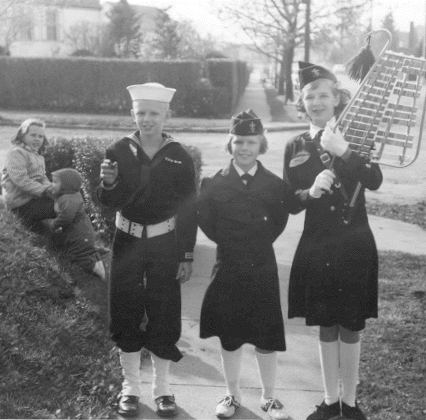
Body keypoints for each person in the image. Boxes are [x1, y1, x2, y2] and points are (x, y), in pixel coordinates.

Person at [283, 62, 383, 420]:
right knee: (326, 321)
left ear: (337, 98)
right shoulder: (295, 144)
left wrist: (345, 152)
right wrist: (309, 191)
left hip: (354, 240)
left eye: (323, 94)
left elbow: (374, 179)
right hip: (318, 243)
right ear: (302, 101)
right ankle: (329, 400)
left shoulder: (355, 134)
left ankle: (351, 403)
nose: (316, 101)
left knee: (351, 322)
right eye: (309, 96)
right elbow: (289, 202)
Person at [97, 82, 198, 418]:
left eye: (154, 113)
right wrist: (108, 185)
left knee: (164, 310)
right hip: (127, 240)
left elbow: (188, 210)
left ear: (167, 114)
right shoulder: (118, 149)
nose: (147, 119)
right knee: (124, 308)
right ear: (132, 114)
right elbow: (108, 202)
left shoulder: (180, 156)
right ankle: (130, 387)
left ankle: (162, 388)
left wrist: (186, 254)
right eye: (141, 113)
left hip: (164, 244)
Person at [198, 110, 291, 420]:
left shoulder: (274, 185)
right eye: (238, 141)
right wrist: (232, 241)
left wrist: (255, 241)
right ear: (230, 143)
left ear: (260, 143)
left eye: (251, 142)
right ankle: (232, 394)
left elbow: (278, 222)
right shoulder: (213, 182)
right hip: (229, 264)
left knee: (266, 335)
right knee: (230, 333)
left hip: (262, 263)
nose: (244, 148)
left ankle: (269, 398)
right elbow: (207, 222)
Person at [46, 168, 106, 281]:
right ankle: (95, 253)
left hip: (80, 234)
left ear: (66, 186)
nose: (51, 184)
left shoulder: (69, 199)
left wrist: (53, 224)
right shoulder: (69, 194)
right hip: (80, 232)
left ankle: (96, 267)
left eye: (54, 182)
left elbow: (66, 217)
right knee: (72, 250)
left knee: (76, 256)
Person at [1, 118, 56, 233]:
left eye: (40, 136)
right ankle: (73, 242)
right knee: (64, 207)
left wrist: (53, 188)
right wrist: (45, 190)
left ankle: (75, 239)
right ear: (22, 135)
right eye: (33, 135)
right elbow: (21, 180)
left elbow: (41, 177)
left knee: (68, 201)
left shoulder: (36, 155)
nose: (37, 139)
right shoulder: (16, 153)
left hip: (32, 199)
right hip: (19, 204)